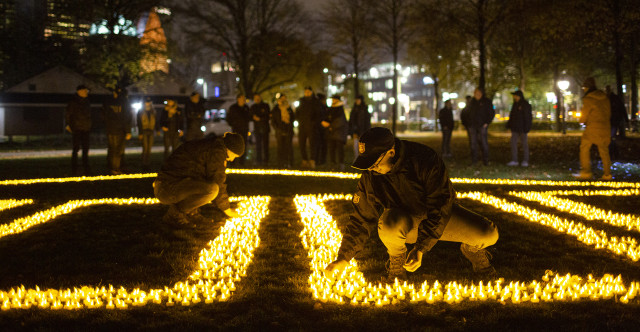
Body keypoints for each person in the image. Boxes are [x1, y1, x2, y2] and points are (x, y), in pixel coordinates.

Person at [324, 127, 499, 282]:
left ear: (391, 153)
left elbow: (440, 206)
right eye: (367, 164)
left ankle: (473, 250)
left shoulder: (425, 159)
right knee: (388, 224)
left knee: (489, 233)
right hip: (404, 222)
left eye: (375, 163)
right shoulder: (371, 175)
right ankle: (396, 264)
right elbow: (361, 218)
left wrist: (421, 248)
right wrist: (343, 258)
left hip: (439, 218)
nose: (371, 169)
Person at [153, 132, 244, 228]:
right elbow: (218, 180)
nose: (232, 159)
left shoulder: (213, 146)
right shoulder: (217, 151)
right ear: (229, 148)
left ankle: (191, 213)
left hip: (166, 185)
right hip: (167, 187)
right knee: (212, 190)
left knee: (205, 185)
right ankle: (175, 214)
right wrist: (227, 210)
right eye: (234, 155)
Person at [574, 77, 612, 180]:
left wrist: (581, 121)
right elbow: (609, 113)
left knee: (584, 148)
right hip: (605, 127)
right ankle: (607, 174)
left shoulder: (589, 99)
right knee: (604, 150)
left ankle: (586, 171)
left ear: (587, 88)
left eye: (584, 88)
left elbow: (584, 115)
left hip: (593, 128)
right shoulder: (605, 98)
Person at [102, 86, 133, 175]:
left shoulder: (108, 102)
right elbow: (127, 118)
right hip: (119, 130)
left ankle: (111, 166)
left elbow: (104, 116)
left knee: (112, 149)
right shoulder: (124, 103)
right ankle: (116, 168)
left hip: (110, 129)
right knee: (118, 150)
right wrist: (128, 131)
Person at [65, 84, 92, 175]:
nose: (86, 93)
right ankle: (74, 168)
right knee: (76, 148)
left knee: (85, 149)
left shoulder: (87, 101)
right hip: (77, 128)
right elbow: (68, 114)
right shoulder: (73, 102)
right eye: (85, 91)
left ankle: (86, 167)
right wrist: (69, 125)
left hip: (85, 128)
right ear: (79, 91)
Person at [296, 87, 322, 168]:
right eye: (305, 91)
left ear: (311, 92)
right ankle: (304, 160)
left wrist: (314, 123)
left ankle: (312, 160)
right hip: (302, 126)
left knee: (312, 144)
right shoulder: (301, 100)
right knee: (301, 144)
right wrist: (298, 119)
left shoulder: (316, 101)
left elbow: (319, 114)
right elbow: (297, 112)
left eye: (308, 91)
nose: (307, 93)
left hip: (312, 127)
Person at [467, 88, 495, 166]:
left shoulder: (486, 101)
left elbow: (491, 113)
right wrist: (468, 123)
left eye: (478, 93)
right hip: (473, 126)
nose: (476, 94)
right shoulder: (472, 102)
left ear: (481, 93)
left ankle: (485, 160)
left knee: (483, 143)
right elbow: (467, 112)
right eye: (475, 93)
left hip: (482, 125)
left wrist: (487, 122)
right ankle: (474, 160)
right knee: (473, 143)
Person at [322, 94, 348, 171]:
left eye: (334, 99)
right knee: (332, 149)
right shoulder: (331, 108)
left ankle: (340, 164)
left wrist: (330, 126)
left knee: (340, 149)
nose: (332, 101)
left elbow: (340, 121)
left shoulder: (340, 109)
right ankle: (333, 164)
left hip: (339, 133)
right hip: (332, 133)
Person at [506, 90, 532, 167]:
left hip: (523, 128)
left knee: (524, 144)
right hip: (515, 128)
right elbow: (512, 116)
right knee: (513, 143)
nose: (514, 97)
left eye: (515, 96)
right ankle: (515, 160)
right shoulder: (515, 104)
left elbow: (528, 117)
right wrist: (508, 125)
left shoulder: (525, 105)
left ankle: (525, 160)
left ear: (519, 96)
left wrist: (527, 127)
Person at [226, 94, 252, 165]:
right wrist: (234, 124)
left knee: (243, 146)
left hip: (244, 130)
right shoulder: (233, 108)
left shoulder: (246, 107)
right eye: (242, 98)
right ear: (238, 99)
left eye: (244, 98)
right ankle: (233, 162)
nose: (244, 100)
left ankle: (242, 162)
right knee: (234, 145)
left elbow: (249, 117)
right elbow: (228, 118)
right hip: (236, 130)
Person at [271, 94, 295, 168]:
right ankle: (281, 163)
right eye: (282, 99)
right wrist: (277, 129)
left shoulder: (289, 108)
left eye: (285, 98)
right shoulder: (275, 109)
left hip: (288, 130)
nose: (284, 100)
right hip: (279, 131)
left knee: (288, 147)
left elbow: (293, 118)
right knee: (280, 147)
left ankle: (289, 162)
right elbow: (273, 121)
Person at [605, 85, 628, 160]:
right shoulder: (614, 98)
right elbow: (622, 108)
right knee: (611, 137)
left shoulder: (609, 98)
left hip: (612, 120)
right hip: (613, 120)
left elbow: (621, 108)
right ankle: (614, 153)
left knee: (611, 137)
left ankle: (612, 153)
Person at [348, 95, 371, 160]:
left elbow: (367, 122)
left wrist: (366, 131)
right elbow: (351, 121)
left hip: (362, 131)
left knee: (362, 147)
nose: (357, 101)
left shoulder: (364, 109)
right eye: (356, 99)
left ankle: (362, 160)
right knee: (355, 147)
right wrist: (351, 131)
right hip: (355, 131)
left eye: (358, 99)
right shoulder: (354, 109)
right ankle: (356, 160)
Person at [250, 94, 271, 166]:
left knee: (266, 145)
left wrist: (260, 119)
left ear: (260, 98)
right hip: (257, 129)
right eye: (255, 98)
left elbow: (268, 116)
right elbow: (251, 116)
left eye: (258, 98)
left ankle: (266, 160)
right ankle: (258, 160)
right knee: (258, 145)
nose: (257, 99)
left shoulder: (266, 105)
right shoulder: (253, 107)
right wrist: (254, 117)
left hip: (265, 129)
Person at [138, 97, 157, 172]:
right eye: (146, 102)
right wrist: (140, 133)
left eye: (149, 102)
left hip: (151, 130)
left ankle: (147, 163)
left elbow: (156, 120)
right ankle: (144, 164)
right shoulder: (141, 111)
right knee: (145, 148)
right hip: (144, 131)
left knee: (149, 149)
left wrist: (157, 129)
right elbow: (139, 122)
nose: (148, 103)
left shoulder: (153, 111)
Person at [315, 93, 329, 166]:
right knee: (321, 145)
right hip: (320, 129)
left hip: (322, 129)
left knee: (322, 146)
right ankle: (320, 160)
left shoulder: (324, 106)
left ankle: (320, 160)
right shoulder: (320, 107)